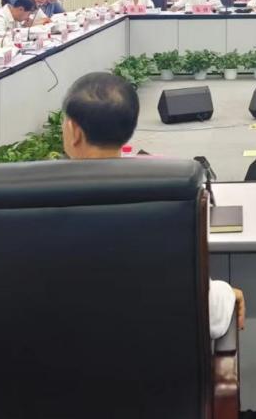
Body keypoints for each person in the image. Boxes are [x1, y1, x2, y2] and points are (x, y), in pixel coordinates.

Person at [60, 72, 245, 339]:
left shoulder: (23, 201)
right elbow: (209, 317)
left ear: (74, 131)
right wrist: (225, 294)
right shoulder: (168, 196)